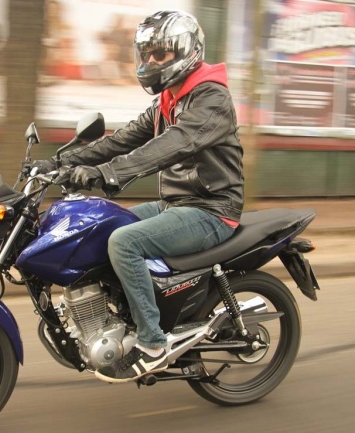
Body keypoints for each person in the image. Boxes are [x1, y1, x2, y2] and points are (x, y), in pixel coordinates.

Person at [32, 10, 244, 383]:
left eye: (160, 54)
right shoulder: (169, 99)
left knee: (124, 242)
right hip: (176, 204)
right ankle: (122, 314)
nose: (151, 62)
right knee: (100, 226)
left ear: (187, 51)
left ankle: (152, 343)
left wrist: (109, 173)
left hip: (211, 209)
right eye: (146, 55)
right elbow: (122, 140)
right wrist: (59, 162)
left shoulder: (211, 98)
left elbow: (174, 144)